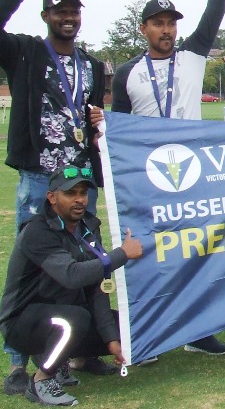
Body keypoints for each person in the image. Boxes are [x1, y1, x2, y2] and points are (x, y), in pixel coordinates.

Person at [109, 0, 225, 359]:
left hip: (193, 172)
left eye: (171, 23)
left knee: (196, 252)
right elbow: (117, 130)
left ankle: (198, 330)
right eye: (158, 24)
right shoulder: (127, 72)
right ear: (143, 28)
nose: (167, 30)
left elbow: (215, 9)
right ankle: (151, 332)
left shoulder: (194, 55)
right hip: (146, 179)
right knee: (147, 257)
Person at [0, 0, 108, 395]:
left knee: (84, 264)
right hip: (39, 181)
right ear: (46, 16)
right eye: (60, 11)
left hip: (80, 182)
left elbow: (86, 120)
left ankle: (78, 352)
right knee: (29, 269)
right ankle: (16, 363)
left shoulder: (92, 65)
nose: (68, 18)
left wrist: (97, 119)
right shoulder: (25, 51)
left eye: (74, 12)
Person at [0, 165, 143, 406]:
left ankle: (68, 359)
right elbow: (71, 275)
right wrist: (121, 255)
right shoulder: (37, 230)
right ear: (52, 197)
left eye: (83, 193)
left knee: (127, 328)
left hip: (66, 313)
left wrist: (110, 338)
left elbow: (95, 285)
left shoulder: (88, 227)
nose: (79, 200)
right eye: (70, 193)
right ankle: (42, 380)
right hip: (23, 321)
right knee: (73, 320)